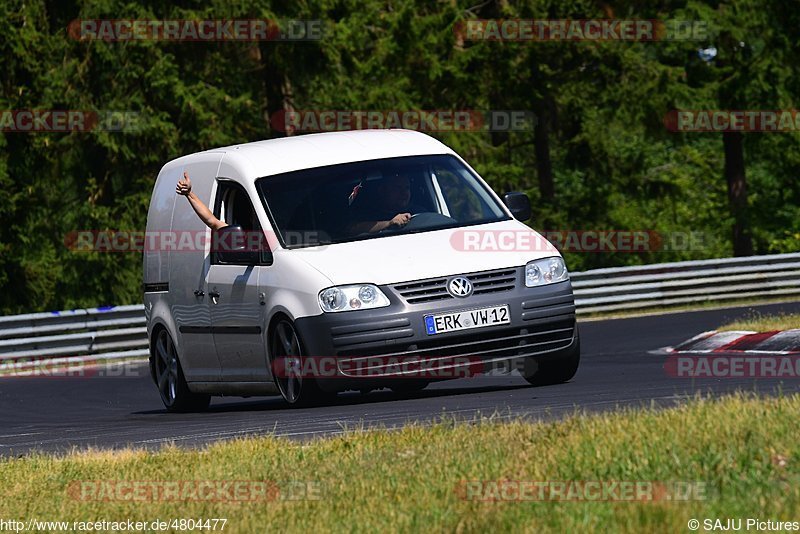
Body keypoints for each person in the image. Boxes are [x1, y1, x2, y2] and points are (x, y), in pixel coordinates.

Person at [348, 173, 423, 234]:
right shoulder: (369, 212)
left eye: (407, 188)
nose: (404, 193)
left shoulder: (419, 211)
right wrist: (389, 224)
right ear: (383, 190)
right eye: (398, 188)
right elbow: (352, 228)